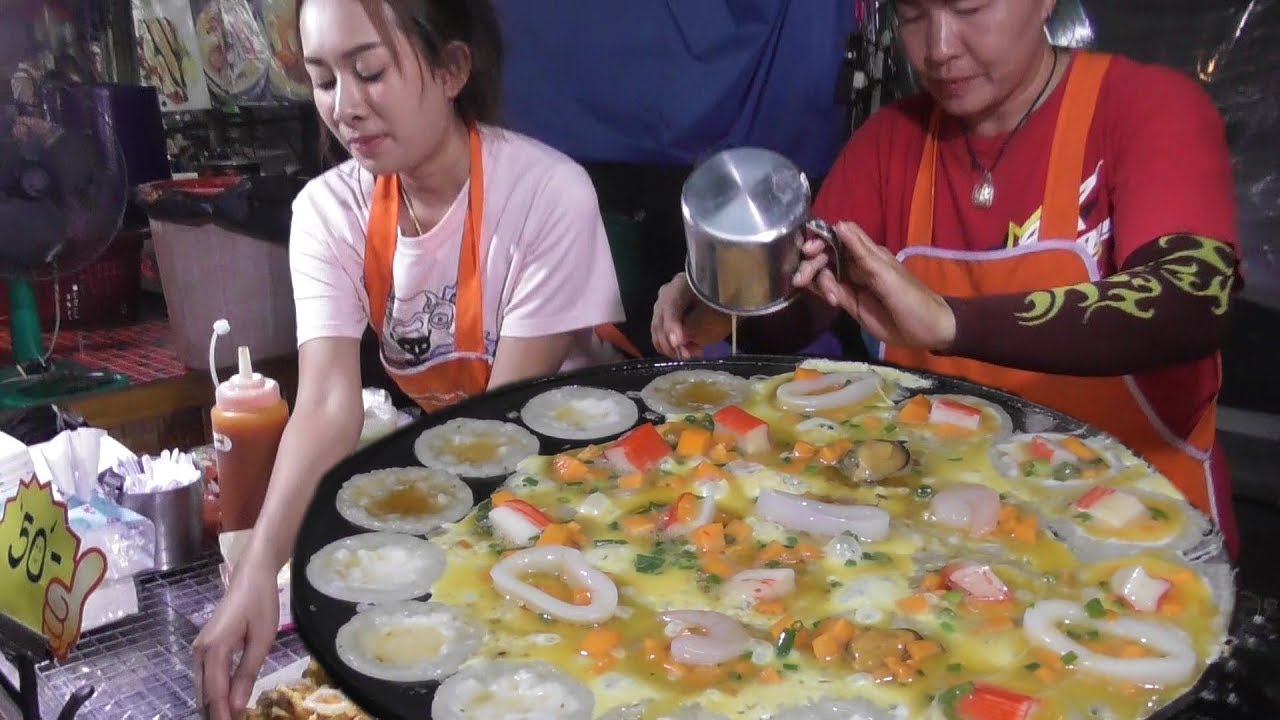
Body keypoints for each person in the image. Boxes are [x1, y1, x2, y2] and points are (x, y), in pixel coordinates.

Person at [653, 0, 1242, 557]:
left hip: (1145, 542)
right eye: (912, 13)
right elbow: (806, 307)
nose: (937, 48)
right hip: (949, 528)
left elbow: (1190, 298)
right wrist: (726, 290)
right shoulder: (892, 141)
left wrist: (949, 322)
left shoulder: (1145, 107)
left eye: (969, 9)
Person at [193, 1, 632, 716]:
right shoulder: (328, 213)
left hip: (580, 498)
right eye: (324, 79)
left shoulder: (546, 197)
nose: (346, 107)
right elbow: (328, 405)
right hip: (463, 496)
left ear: (452, 68)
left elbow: (502, 430)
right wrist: (254, 575)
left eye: (370, 71)